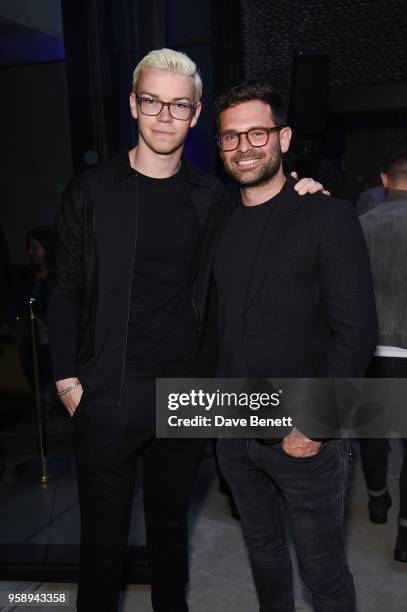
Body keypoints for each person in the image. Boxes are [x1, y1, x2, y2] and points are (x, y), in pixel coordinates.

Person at [47, 49, 325, 612]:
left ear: (196, 114)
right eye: (153, 101)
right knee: (101, 552)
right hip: (107, 394)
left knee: (171, 541)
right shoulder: (91, 192)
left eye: (179, 105)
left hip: (185, 396)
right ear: (133, 104)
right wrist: (68, 383)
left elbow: (263, 218)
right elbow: (63, 291)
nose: (165, 116)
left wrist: (303, 193)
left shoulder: (212, 199)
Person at [196, 82, 378, 611]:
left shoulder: (326, 215)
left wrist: (315, 426)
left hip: (304, 440)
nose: (245, 146)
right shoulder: (218, 218)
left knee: (322, 571)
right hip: (232, 429)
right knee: (264, 553)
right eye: (231, 136)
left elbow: (356, 332)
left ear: (284, 136)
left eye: (258, 132)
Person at [359, 146, 407, 562]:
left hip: (372, 349)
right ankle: (406, 534)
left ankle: (377, 500)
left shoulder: (359, 226)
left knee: (372, 430)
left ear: (384, 180)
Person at [14, 226, 55, 403]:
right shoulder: (26, 276)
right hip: (30, 342)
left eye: (35, 247)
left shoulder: (59, 278)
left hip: (51, 343)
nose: (30, 252)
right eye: (28, 248)